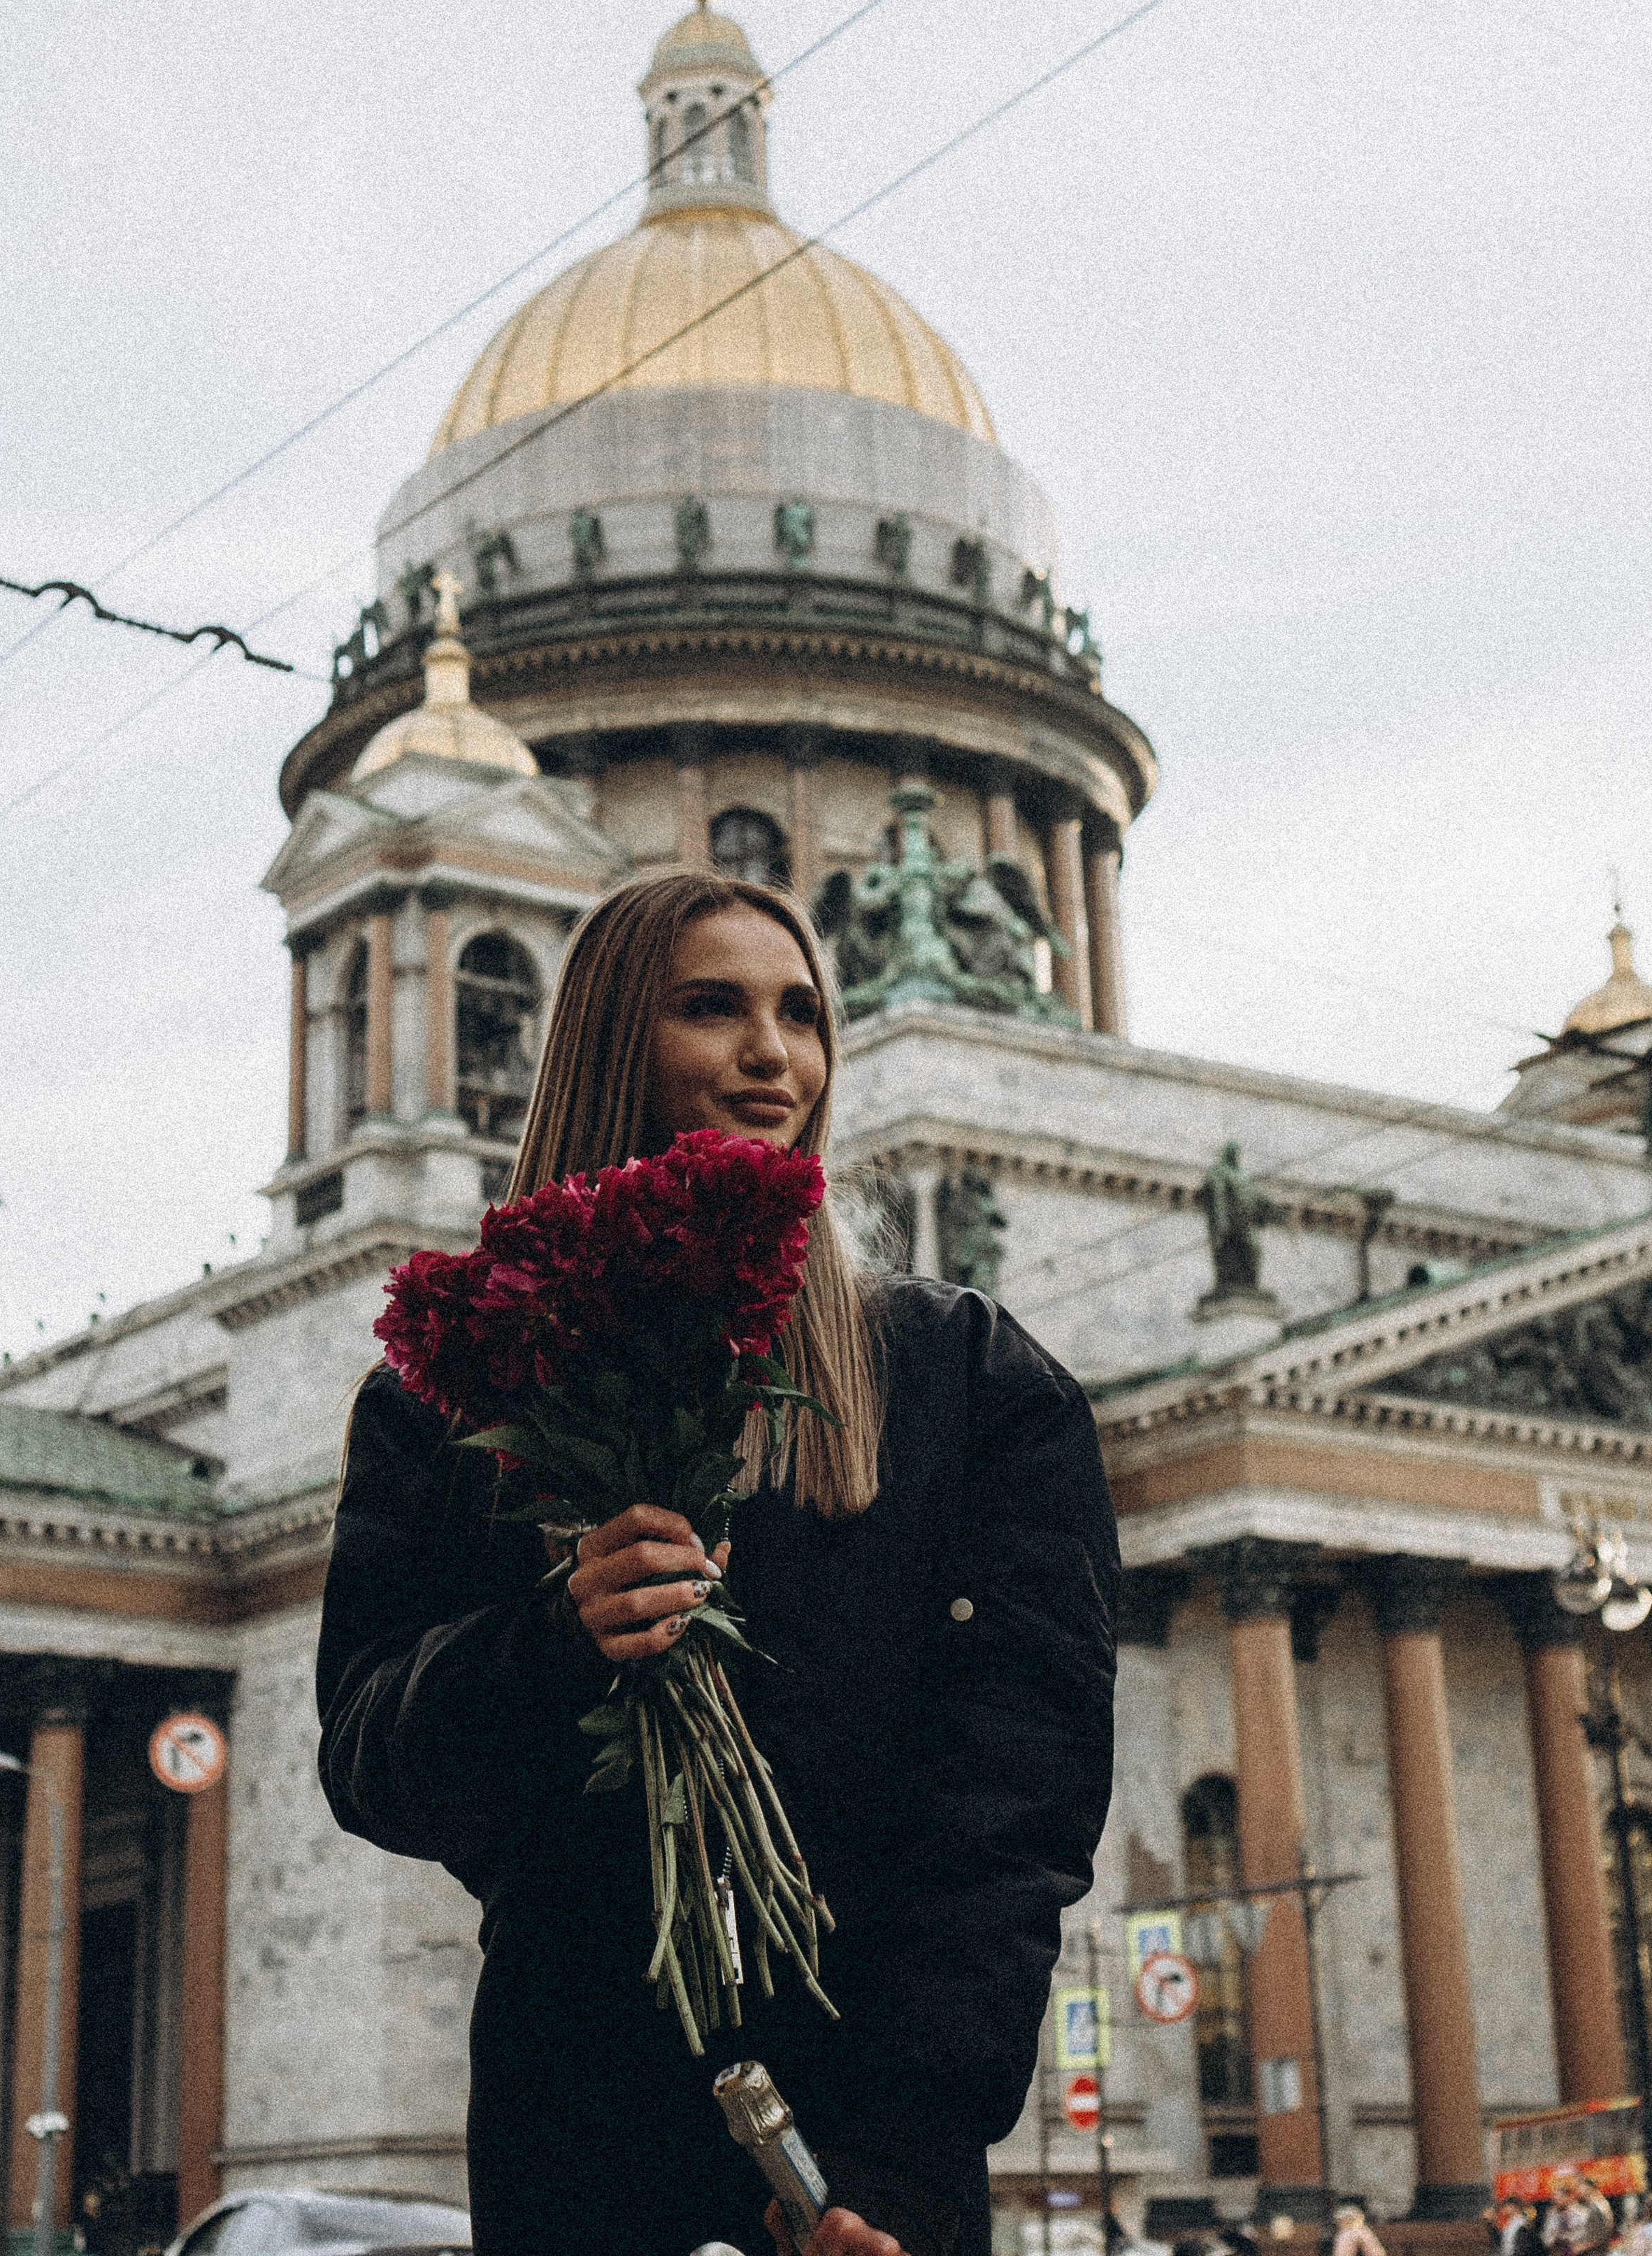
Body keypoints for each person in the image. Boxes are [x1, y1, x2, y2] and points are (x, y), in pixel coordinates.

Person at [317, 872, 1119, 2256]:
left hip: (862, 2159)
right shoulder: (447, 1394)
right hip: (576, 2127)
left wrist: (898, 2151)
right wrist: (548, 1645)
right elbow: (369, 1762)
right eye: (711, 1007)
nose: (772, 1054)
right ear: (605, 1039)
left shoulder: (963, 1380)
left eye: (802, 1013)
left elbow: (1013, 1806)